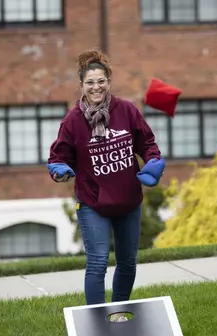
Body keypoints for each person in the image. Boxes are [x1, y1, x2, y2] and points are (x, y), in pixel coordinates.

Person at [47, 49, 166, 319]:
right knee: (98, 263)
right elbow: (58, 156)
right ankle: (98, 321)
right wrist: (59, 169)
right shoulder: (73, 121)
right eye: (90, 82)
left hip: (128, 200)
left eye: (101, 81)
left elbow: (147, 143)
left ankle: (118, 313)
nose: (96, 87)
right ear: (82, 86)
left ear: (109, 81)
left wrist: (153, 162)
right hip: (93, 203)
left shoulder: (125, 110)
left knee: (127, 263)